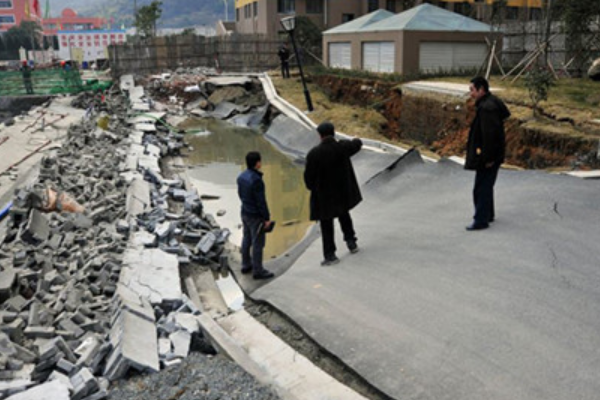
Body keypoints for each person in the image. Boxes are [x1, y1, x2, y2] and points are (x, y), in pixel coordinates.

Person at [304, 122, 362, 266]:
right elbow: (357, 144)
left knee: (326, 225)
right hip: (341, 191)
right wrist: (355, 138)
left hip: (324, 196)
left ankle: (330, 255)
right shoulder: (342, 147)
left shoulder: (314, 154)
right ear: (333, 132)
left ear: (320, 135)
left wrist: (313, 188)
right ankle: (351, 242)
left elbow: (308, 179)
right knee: (344, 215)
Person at [464, 76, 511, 231]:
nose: (470, 93)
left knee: (481, 187)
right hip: (491, 155)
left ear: (481, 90)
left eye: (472, 90)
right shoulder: (490, 103)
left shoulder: (487, 109)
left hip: (488, 156)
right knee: (486, 185)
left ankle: (481, 220)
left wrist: (488, 158)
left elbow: (489, 135)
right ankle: (488, 214)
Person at [237, 151, 275, 280]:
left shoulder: (241, 177)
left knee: (246, 238)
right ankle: (258, 270)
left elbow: (240, 195)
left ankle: (246, 264)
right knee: (258, 243)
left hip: (245, 212)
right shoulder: (257, 180)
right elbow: (261, 202)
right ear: (257, 163)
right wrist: (266, 218)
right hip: (255, 216)